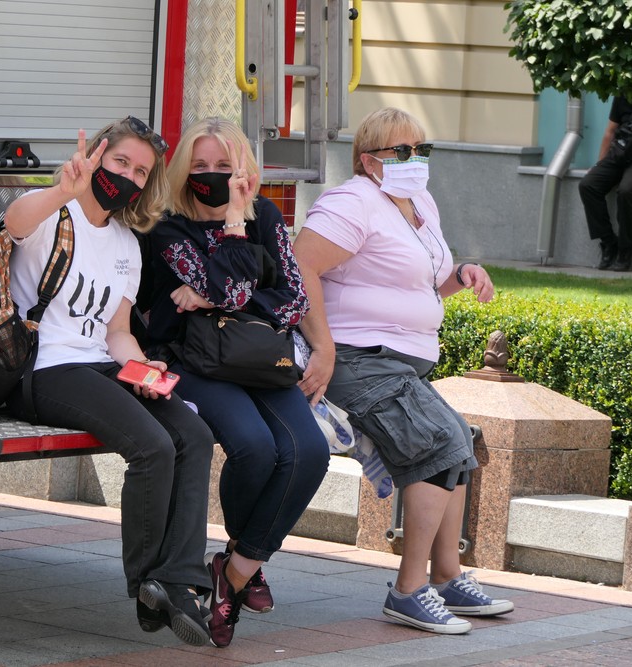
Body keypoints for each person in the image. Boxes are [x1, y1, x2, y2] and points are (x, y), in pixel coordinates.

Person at [293, 107, 514, 635]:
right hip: (356, 358)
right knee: (437, 443)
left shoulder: (418, 204)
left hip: (397, 362)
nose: (416, 161)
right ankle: (408, 591)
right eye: (403, 151)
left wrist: (461, 275)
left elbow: (422, 283)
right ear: (370, 161)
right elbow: (299, 264)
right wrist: (322, 347)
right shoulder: (354, 203)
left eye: (422, 149)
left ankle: (446, 575)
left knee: (460, 440)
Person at [2, 117, 215, 647]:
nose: (129, 177)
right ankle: (148, 582)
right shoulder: (56, 214)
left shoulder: (126, 243)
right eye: (121, 162)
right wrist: (61, 189)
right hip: (45, 367)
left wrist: (144, 370)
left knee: (193, 434)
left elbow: (116, 332)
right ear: (97, 155)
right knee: (151, 446)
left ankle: (178, 581)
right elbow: (14, 223)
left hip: (99, 363)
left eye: (141, 172)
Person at [146, 117, 330, 647]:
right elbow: (229, 286)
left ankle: (234, 569)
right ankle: (244, 569)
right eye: (200, 166)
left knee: (309, 451)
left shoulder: (267, 215)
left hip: (256, 359)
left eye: (223, 167)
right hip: (191, 359)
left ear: (244, 169)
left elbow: (293, 297)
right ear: (183, 172)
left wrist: (210, 294)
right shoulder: (170, 228)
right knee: (253, 447)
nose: (210, 176)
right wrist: (230, 229)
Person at [579, 95, 632, 271]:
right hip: (621, 150)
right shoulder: (623, 93)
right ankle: (608, 242)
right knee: (588, 185)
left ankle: (625, 248)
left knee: (626, 190)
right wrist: (599, 164)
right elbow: (610, 131)